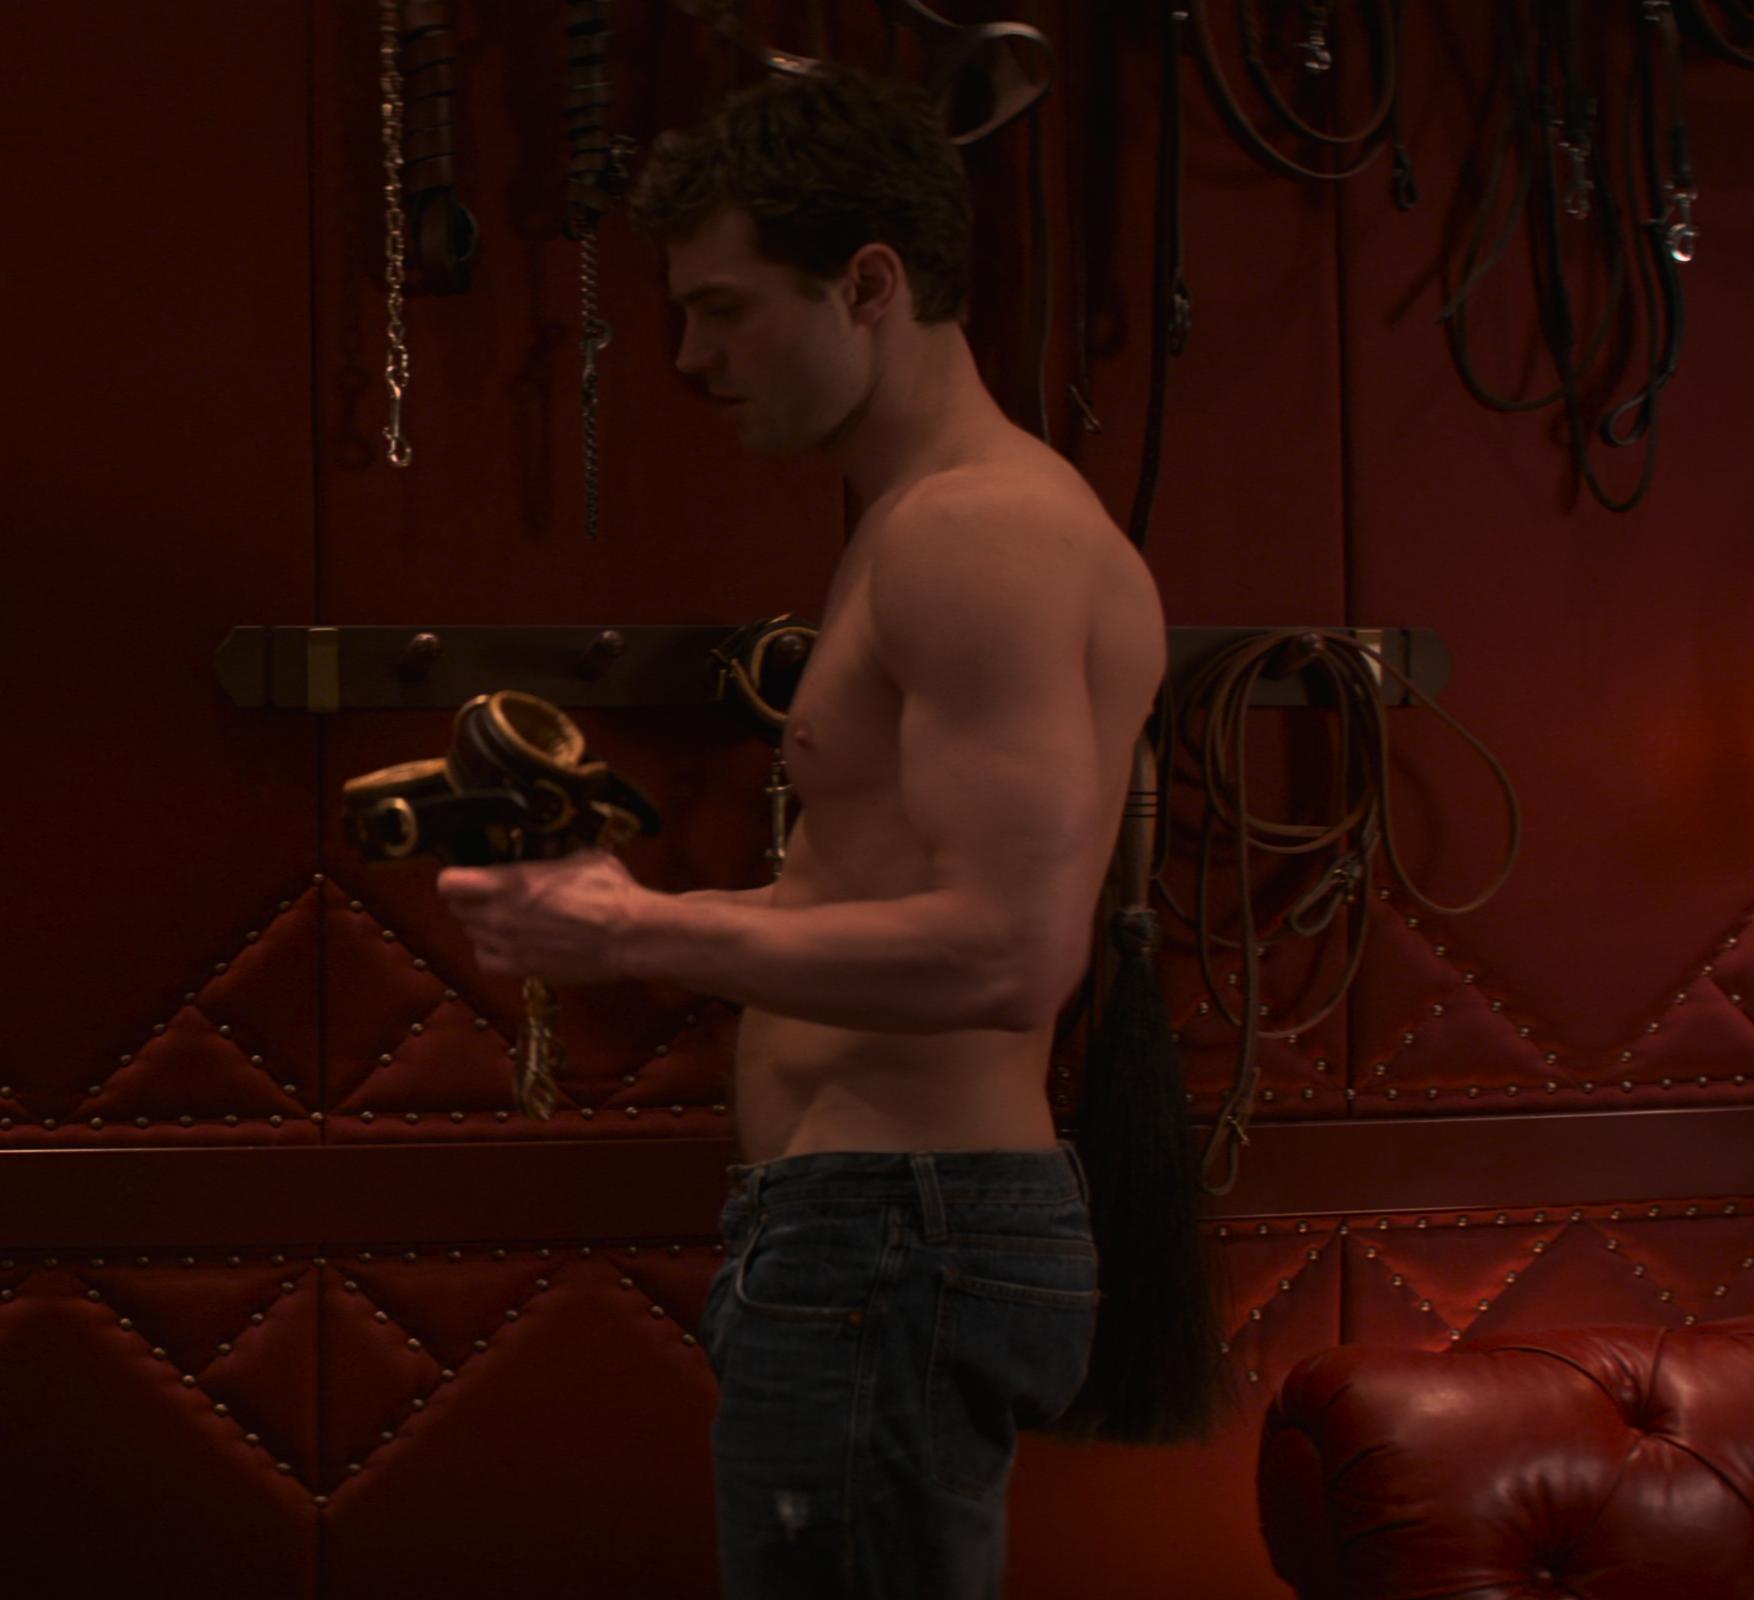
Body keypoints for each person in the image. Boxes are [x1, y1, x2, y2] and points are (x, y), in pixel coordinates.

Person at [432, 64, 1167, 1598]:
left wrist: (641, 932)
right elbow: (899, 896)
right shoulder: (918, 523)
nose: (691, 356)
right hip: (870, 1236)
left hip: (897, 1233)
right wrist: (611, 911)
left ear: (869, 285)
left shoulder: (979, 530)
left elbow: (1009, 955)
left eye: (726, 308)